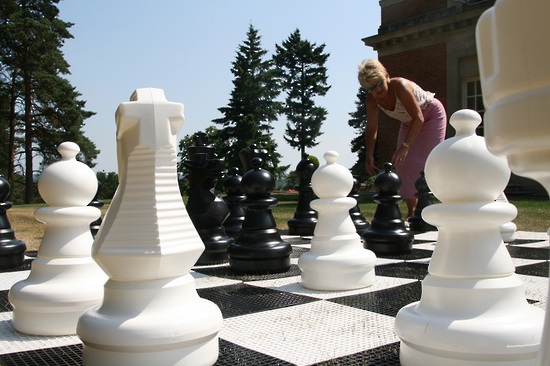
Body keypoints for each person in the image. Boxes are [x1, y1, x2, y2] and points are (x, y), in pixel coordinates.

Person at [357, 59, 447, 218]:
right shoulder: (372, 99)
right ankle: (413, 213)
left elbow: (418, 118)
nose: (377, 90)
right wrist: (369, 155)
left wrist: (405, 145)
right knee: (403, 164)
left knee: (428, 162)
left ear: (386, 76)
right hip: (408, 122)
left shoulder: (401, 86)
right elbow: (372, 128)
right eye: (371, 88)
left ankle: (432, 208)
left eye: (379, 84)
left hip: (430, 115)